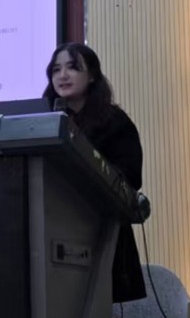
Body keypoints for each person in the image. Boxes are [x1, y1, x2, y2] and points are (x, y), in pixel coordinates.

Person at [42, 42, 146, 304]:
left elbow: (130, 178)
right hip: (53, 227)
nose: (62, 75)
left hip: (100, 232)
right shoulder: (44, 121)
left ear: (92, 76)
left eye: (72, 67)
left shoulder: (115, 122)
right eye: (56, 70)